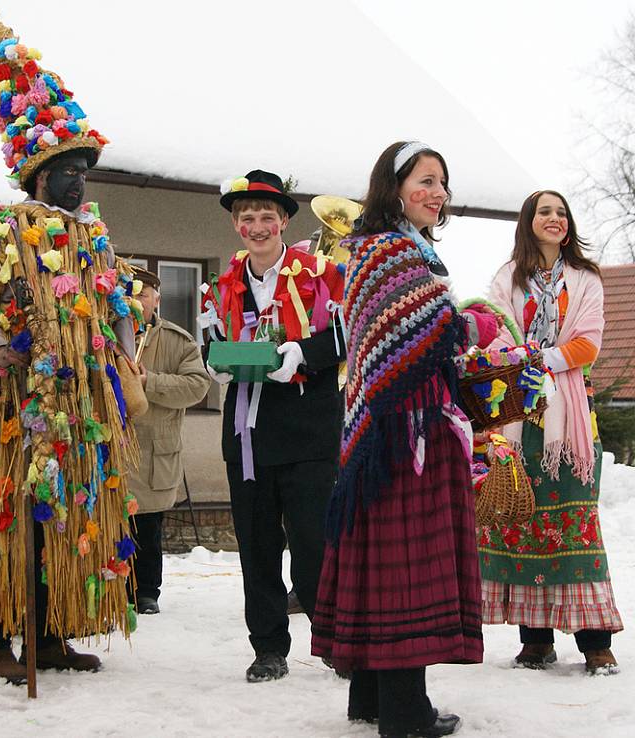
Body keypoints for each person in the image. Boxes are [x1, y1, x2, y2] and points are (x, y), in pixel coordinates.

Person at [0, 6, 142, 683]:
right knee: (9, 515)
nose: (80, 182)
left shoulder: (88, 236)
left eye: (84, 170)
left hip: (76, 411)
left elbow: (113, 302)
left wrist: (122, 350)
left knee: (64, 515)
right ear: (38, 175)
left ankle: (49, 634)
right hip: (12, 405)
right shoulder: (1, 229)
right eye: (69, 171)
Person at [311, 142, 499, 738]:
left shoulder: (394, 249)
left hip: (390, 430)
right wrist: (476, 323)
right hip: (405, 430)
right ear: (394, 187)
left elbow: (407, 332)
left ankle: (369, 696)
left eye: (443, 182)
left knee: (380, 559)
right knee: (405, 564)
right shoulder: (390, 251)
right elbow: (420, 331)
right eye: (426, 180)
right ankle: (404, 710)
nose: (438, 192)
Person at [201, 169, 346, 682]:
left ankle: (333, 642)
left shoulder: (325, 275)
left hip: (308, 432)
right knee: (257, 549)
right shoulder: (222, 284)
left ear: (284, 220)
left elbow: (348, 340)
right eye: (247, 218)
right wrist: (214, 359)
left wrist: (299, 353)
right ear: (238, 227)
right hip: (246, 437)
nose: (258, 226)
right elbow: (214, 345)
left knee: (314, 548)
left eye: (267, 216)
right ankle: (268, 648)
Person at [480, 190, 623, 673]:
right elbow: (495, 331)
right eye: (545, 211)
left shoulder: (585, 279)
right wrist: (518, 362)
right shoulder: (507, 278)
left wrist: (542, 362)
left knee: (574, 526)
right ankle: (536, 639)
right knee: (524, 520)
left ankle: (595, 641)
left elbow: (590, 340)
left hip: (570, 419)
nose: (555, 218)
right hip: (518, 412)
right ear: (528, 220)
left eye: (561, 212)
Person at [127, 267, 210, 615]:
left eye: (143, 295)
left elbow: (197, 386)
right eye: (129, 294)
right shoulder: (97, 335)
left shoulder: (178, 341)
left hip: (152, 450)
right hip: (112, 448)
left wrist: (150, 382)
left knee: (147, 527)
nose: (136, 301)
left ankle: (146, 592)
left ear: (156, 300)